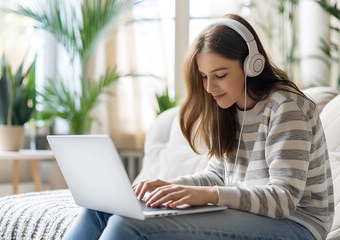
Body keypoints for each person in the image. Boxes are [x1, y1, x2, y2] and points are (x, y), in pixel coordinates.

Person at [62, 14, 334, 240]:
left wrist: (207, 196)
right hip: (251, 215)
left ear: (252, 65)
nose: (209, 87)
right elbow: (218, 175)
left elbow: (283, 199)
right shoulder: (229, 108)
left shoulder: (287, 108)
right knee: (99, 210)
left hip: (298, 225)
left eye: (220, 75)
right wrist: (170, 187)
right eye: (204, 77)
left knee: (126, 225)